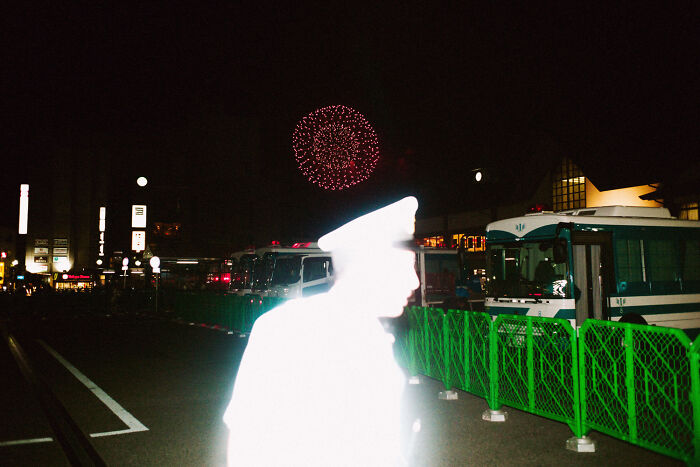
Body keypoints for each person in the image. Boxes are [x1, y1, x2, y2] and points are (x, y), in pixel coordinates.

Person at [223, 196, 420, 467]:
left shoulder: (371, 333)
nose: (415, 281)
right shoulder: (290, 332)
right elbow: (247, 447)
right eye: (404, 267)